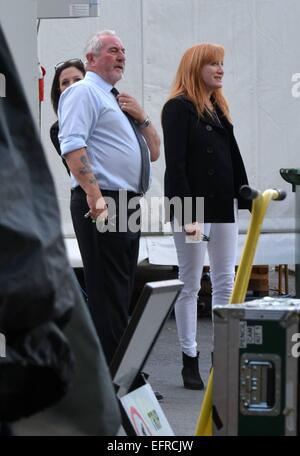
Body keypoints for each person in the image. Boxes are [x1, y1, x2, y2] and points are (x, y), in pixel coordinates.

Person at [58, 30, 160, 364]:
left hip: (127, 202)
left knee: (120, 292)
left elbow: (155, 152)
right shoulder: (83, 92)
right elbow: (73, 145)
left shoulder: (115, 99)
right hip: (105, 202)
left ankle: (120, 374)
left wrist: (142, 117)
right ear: (91, 58)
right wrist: (94, 194)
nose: (122, 56)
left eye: (124, 51)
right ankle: (114, 379)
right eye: (113, 50)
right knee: (108, 294)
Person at [161, 43, 250, 390]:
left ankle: (222, 356)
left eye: (222, 63)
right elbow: (176, 166)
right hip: (194, 209)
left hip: (222, 205)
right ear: (195, 67)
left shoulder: (218, 108)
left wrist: (244, 193)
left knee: (226, 279)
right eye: (213, 63)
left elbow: (233, 157)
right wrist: (185, 212)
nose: (220, 69)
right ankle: (189, 358)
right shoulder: (178, 108)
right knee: (191, 281)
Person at [50, 59, 86, 174]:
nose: (72, 86)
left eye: (77, 80)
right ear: (59, 90)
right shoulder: (58, 129)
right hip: (89, 190)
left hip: (124, 189)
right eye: (65, 82)